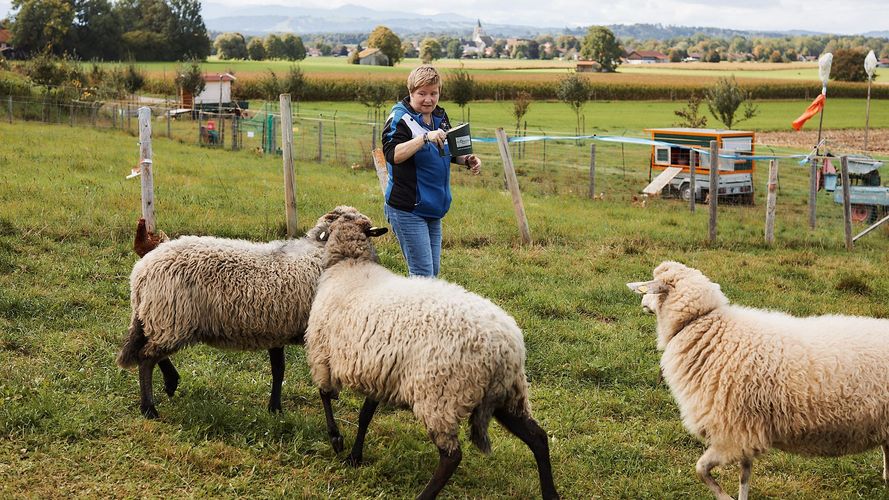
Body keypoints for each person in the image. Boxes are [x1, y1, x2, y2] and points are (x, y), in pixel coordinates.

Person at [382, 65, 481, 277]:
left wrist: (467, 160)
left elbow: (448, 150)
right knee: (422, 275)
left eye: (433, 93)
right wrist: (424, 138)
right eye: (422, 94)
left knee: (432, 273)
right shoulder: (400, 119)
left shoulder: (439, 116)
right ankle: (405, 311)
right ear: (411, 93)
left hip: (433, 208)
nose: (428, 99)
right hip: (408, 208)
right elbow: (392, 155)